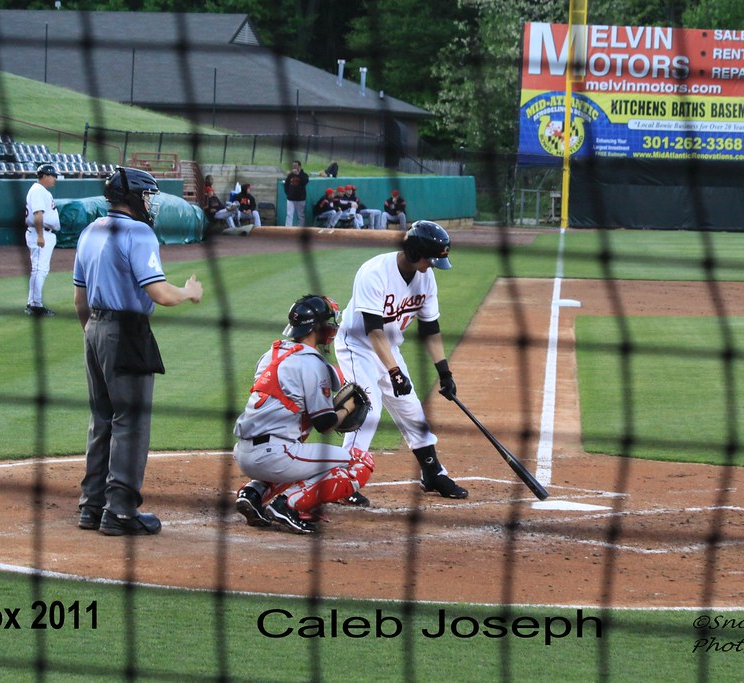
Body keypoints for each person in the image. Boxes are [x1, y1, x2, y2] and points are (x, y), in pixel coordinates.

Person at [72, 166, 204, 536]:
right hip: (125, 332)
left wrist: (95, 337)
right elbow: (160, 293)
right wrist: (189, 292)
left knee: (102, 419)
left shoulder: (90, 230)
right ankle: (120, 512)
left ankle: (92, 506)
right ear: (131, 197)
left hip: (94, 329)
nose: (149, 203)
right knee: (131, 423)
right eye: (146, 196)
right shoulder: (139, 232)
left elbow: (79, 299)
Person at [333, 221, 468, 505]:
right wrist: (394, 372)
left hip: (388, 347)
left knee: (411, 408)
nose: (432, 266)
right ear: (415, 251)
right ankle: (342, 481)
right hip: (357, 345)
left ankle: (432, 473)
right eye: (430, 260)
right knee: (367, 410)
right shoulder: (374, 272)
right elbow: (373, 330)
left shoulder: (425, 279)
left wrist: (444, 372)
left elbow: (430, 328)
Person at [233, 294, 375, 534]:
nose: (332, 327)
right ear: (316, 327)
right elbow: (324, 423)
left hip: (244, 452)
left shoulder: (272, 354)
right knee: (360, 462)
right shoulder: (313, 364)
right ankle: (287, 505)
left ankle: (253, 493)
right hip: (274, 456)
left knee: (300, 452)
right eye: (328, 322)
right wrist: (346, 409)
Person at [24, 163, 61, 317]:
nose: (55, 179)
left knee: (40, 269)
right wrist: (40, 236)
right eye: (53, 176)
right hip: (41, 233)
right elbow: (38, 214)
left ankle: (33, 303)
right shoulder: (38, 190)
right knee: (39, 269)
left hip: (44, 232)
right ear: (45, 175)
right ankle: (35, 305)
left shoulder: (40, 191)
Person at [283, 161, 310, 227]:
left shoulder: (304, 174)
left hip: (300, 199)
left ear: (299, 166)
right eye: (293, 165)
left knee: (301, 215)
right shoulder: (290, 175)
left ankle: (300, 228)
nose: (294, 167)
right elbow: (286, 184)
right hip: (290, 198)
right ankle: (288, 229)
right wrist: (288, 193)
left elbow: (305, 181)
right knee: (289, 214)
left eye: (296, 165)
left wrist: (298, 174)